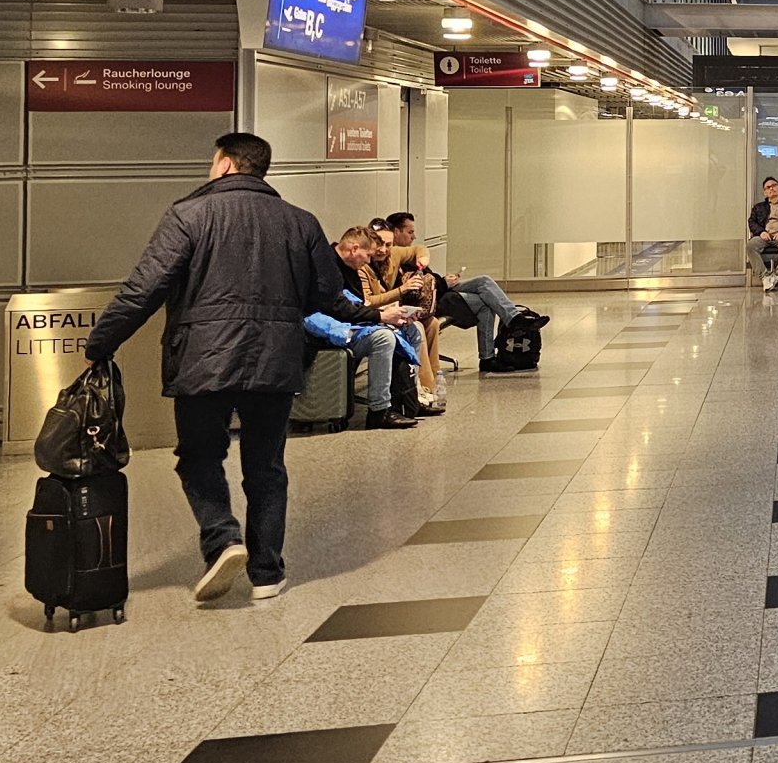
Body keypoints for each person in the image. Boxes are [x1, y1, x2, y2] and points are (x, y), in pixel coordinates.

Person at [81, 132, 331, 604]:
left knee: (199, 458)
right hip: (276, 360)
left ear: (226, 164)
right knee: (266, 466)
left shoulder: (188, 215)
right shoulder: (301, 221)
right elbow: (325, 293)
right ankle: (267, 573)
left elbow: (144, 289)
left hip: (202, 359)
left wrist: (101, 343)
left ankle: (222, 538)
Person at [381, 213, 539, 362]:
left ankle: (513, 319)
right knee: (485, 303)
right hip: (430, 300)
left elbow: (428, 277)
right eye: (410, 232)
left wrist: (445, 280)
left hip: (439, 291)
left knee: (484, 281)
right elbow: (417, 288)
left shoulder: (409, 254)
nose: (413, 237)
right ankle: (489, 356)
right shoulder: (393, 260)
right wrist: (443, 283)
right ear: (396, 232)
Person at [326, 227, 430, 425]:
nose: (368, 261)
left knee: (412, 330)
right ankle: (379, 409)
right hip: (333, 328)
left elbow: (357, 305)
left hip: (351, 321)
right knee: (384, 337)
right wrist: (381, 316)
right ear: (354, 249)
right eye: (367, 255)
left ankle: (409, 398)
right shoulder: (328, 268)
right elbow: (340, 309)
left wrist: (389, 316)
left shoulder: (350, 267)